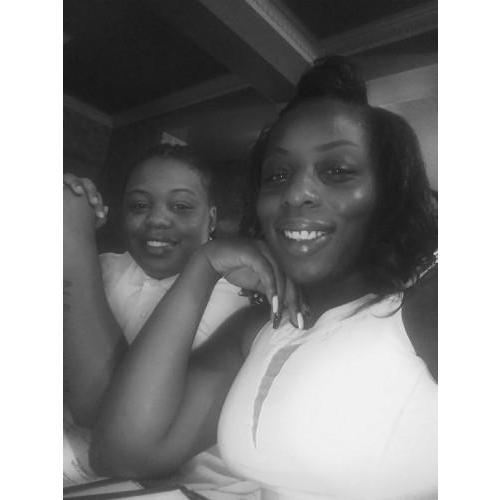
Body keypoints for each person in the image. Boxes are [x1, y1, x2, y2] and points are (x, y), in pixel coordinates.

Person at [90, 56, 438, 500]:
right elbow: (124, 454)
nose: (296, 192)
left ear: (388, 192)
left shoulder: (426, 302)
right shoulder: (260, 328)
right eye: (278, 175)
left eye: (337, 171)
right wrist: (203, 267)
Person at [63, 144, 254, 491]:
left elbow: (109, 420)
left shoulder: (236, 300)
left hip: (184, 487)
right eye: (139, 206)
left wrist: (71, 234)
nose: (157, 219)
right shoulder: (103, 267)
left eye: (181, 206)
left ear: (211, 219)